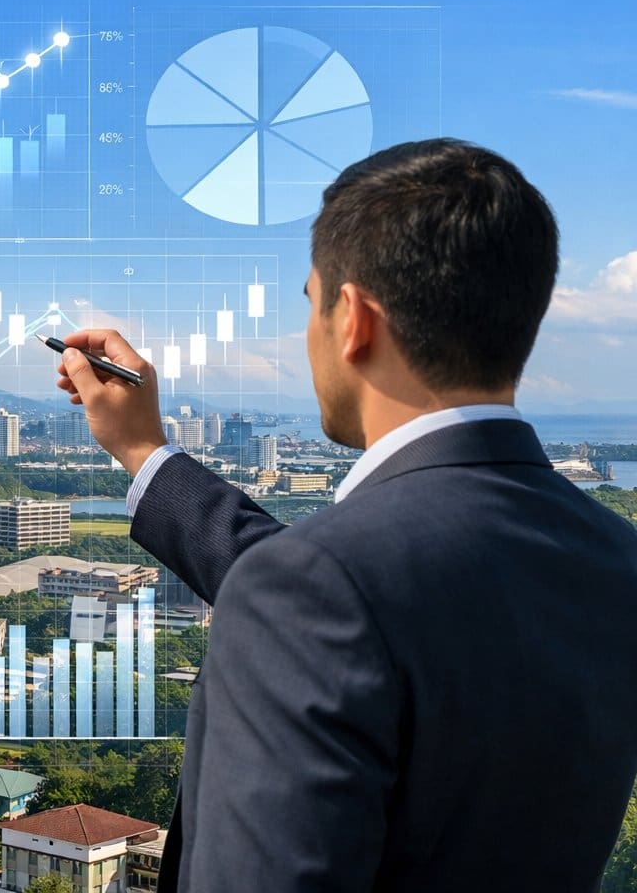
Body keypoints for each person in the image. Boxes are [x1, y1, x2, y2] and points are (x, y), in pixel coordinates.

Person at [56, 138, 637, 892]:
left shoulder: (320, 588)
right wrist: (144, 452)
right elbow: (378, 618)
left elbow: (335, 606)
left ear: (354, 319)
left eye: (311, 303)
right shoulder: (612, 556)